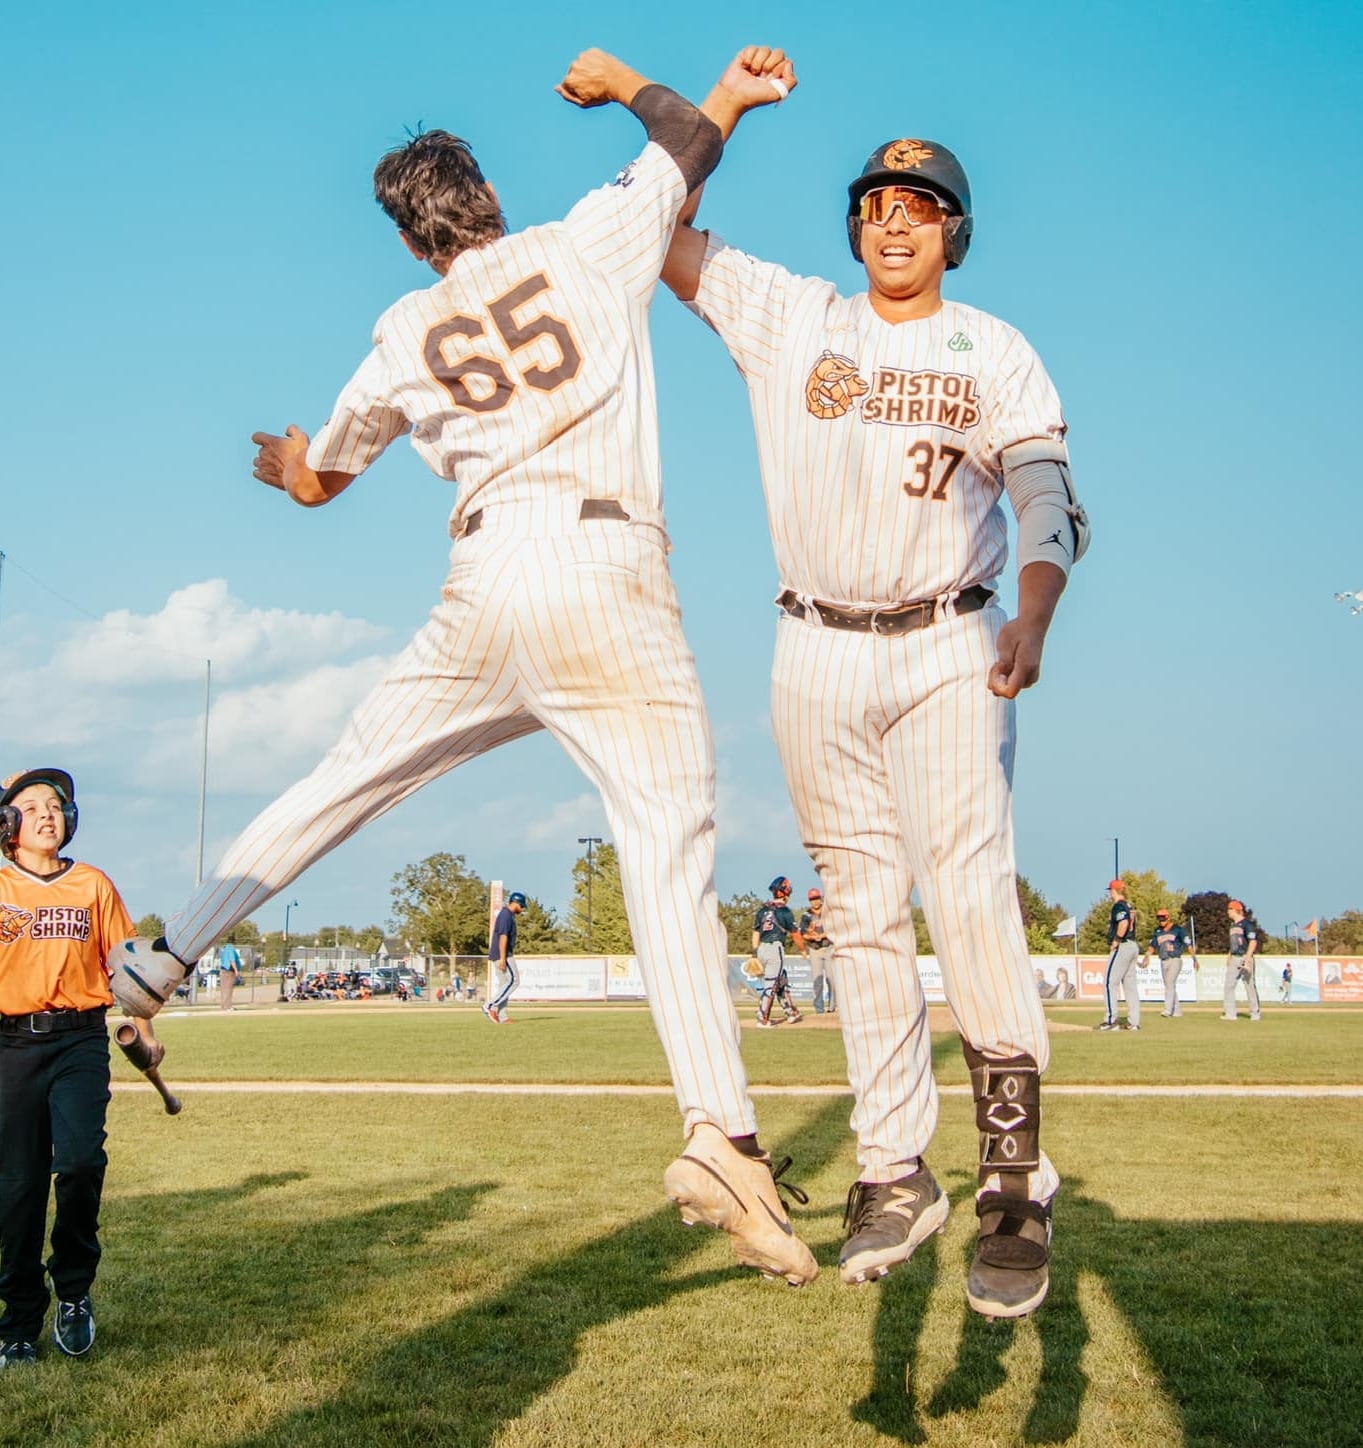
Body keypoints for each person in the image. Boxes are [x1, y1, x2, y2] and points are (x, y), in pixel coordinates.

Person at [116, 47, 816, 1287]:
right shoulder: (585, 238)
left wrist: (286, 463)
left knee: (345, 779)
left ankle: (159, 961)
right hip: (607, 564)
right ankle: (721, 1133)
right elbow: (691, 152)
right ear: (486, 193)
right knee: (664, 849)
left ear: (407, 237)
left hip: (485, 578)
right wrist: (671, 86)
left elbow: (322, 480)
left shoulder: (399, 324)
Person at [662, 53, 1089, 1318]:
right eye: (873, 204)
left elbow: (1044, 490)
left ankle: (1012, 1170)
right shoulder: (795, 316)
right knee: (857, 911)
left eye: (918, 205)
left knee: (964, 892)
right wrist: (681, 100)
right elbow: (663, 231)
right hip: (813, 645)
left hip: (952, 637)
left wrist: (1035, 610)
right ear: (855, 225)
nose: (892, 219)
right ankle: (894, 1167)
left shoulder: (989, 345)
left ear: (954, 228)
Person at [0, 768, 161, 1367]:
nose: (49, 814)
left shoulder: (93, 884)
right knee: (16, 1189)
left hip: (79, 1041)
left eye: (58, 806)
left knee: (80, 1162)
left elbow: (126, 968)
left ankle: (72, 1292)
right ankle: (17, 1321)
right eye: (32, 806)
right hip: (9, 1045)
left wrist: (145, 1029)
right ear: (9, 822)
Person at [752, 877, 802, 1027]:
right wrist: (803, 949)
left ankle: (790, 1011)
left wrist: (754, 953)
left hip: (761, 948)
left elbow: (755, 932)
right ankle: (762, 1018)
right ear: (785, 892)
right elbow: (795, 934)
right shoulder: (784, 911)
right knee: (771, 984)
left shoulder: (762, 910)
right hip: (775, 948)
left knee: (781, 978)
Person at [1099, 880, 1140, 1032]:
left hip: (1123, 945)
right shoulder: (1129, 905)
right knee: (1130, 986)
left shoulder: (1119, 906)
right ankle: (1134, 1022)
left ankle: (1111, 1021)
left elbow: (1123, 923)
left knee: (1110, 983)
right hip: (1133, 945)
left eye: (1110, 890)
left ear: (1113, 891)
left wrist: (1116, 940)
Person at [1148, 907, 1197, 1018]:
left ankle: (1167, 1010)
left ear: (1168, 917)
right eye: (1159, 918)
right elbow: (1152, 946)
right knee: (1169, 986)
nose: (1161, 921)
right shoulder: (1157, 931)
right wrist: (1147, 957)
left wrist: (1194, 958)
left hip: (1175, 959)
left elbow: (1188, 944)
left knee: (1169, 983)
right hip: (1163, 960)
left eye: (1163, 918)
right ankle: (1177, 1011)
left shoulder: (1178, 929)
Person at [484, 892, 525, 1024]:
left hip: (500, 954)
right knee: (514, 980)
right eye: (522, 906)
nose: (522, 909)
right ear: (516, 903)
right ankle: (489, 1006)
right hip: (504, 954)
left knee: (504, 984)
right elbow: (503, 937)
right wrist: (503, 958)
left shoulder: (507, 915)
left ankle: (502, 1017)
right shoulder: (506, 915)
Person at [1224, 899, 1262, 1021]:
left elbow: (1253, 941)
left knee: (1249, 985)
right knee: (1229, 985)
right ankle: (1230, 1014)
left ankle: (1255, 1013)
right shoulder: (1232, 926)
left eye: (1229, 909)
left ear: (1236, 910)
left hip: (1245, 956)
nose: (1228, 911)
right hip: (1235, 957)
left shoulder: (1247, 924)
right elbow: (1233, 943)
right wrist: (1229, 956)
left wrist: (1248, 958)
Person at [799, 887, 835, 1013]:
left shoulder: (828, 912)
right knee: (817, 980)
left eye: (817, 898)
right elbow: (802, 933)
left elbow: (835, 928)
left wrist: (822, 935)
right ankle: (819, 1009)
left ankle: (832, 1007)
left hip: (828, 946)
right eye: (812, 899)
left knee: (831, 979)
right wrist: (812, 936)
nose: (815, 901)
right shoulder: (806, 915)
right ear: (809, 900)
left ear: (821, 898)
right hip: (814, 949)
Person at [216, 937, 242, 1011]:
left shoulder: (224, 949)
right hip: (229, 971)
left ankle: (224, 1006)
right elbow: (232, 960)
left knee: (224, 989)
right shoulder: (230, 949)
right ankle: (228, 1006)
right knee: (228, 989)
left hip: (223, 970)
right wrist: (236, 970)